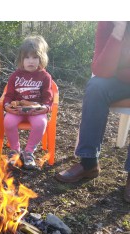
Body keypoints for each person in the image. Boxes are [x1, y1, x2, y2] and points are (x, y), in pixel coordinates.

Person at [56, 21, 130, 203]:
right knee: (96, 87)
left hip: (121, 76)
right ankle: (89, 163)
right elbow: (101, 70)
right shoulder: (108, 22)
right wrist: (118, 30)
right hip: (119, 80)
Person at [3, 35, 53, 170]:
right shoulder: (15, 76)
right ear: (21, 59)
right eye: (27, 57)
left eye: (35, 57)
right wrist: (7, 106)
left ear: (41, 59)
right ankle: (15, 150)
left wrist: (46, 107)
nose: (31, 61)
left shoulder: (45, 76)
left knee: (41, 123)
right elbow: (9, 95)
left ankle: (29, 151)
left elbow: (48, 96)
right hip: (18, 110)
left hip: (36, 111)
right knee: (8, 121)